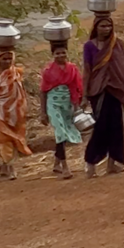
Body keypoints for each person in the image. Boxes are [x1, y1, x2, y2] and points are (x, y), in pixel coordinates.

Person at [81, 15, 124, 177]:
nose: (106, 29)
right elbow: (87, 70)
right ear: (96, 28)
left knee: (116, 127)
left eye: (109, 26)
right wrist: (85, 94)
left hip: (115, 89)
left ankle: (112, 164)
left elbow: (122, 66)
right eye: (102, 26)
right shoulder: (89, 46)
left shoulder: (117, 44)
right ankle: (90, 164)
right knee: (100, 127)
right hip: (99, 90)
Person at [0, 47, 33, 180]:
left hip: (16, 112)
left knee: (14, 138)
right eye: (4, 58)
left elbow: (20, 92)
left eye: (10, 58)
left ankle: (5, 167)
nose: (8, 61)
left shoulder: (17, 72)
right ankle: (10, 168)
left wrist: (25, 108)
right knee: (4, 139)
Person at [42, 42, 85, 180]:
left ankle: (56, 163)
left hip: (67, 103)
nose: (60, 55)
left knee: (63, 132)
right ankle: (65, 167)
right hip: (53, 102)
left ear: (67, 53)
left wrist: (77, 104)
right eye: (57, 53)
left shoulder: (72, 69)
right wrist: (42, 112)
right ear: (53, 55)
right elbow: (43, 91)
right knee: (60, 132)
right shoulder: (48, 71)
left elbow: (77, 86)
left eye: (63, 53)